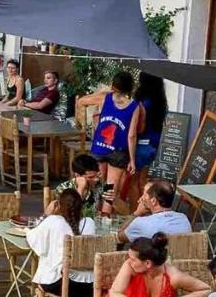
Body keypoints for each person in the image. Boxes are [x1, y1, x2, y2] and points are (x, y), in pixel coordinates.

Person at [29, 188, 98, 297]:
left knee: (44, 280)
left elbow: (34, 239)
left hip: (62, 285)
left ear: (59, 206)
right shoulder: (90, 223)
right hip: (89, 286)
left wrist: (46, 214)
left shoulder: (53, 221)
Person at [90, 71, 143, 207]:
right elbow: (131, 135)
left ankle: (92, 215)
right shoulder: (135, 106)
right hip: (119, 152)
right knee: (110, 189)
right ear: (131, 87)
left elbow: (81, 101)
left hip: (99, 147)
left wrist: (103, 91)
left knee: (96, 185)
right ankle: (106, 219)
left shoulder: (105, 98)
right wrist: (132, 160)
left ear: (113, 85)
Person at [121, 180, 191, 243]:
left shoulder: (141, 223)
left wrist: (137, 213)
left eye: (145, 195)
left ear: (153, 201)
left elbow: (120, 236)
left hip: (154, 256)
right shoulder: (183, 218)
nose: (142, 198)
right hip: (180, 256)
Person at [48, 153, 114, 218]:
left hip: (91, 225)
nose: (96, 179)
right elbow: (71, 212)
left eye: (97, 175)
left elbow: (123, 210)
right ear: (77, 175)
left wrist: (115, 200)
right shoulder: (63, 189)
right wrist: (80, 188)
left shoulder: (99, 185)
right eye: (91, 177)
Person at [134, 72, 168, 181]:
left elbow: (137, 124)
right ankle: (144, 197)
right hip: (154, 143)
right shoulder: (160, 101)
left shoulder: (143, 102)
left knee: (134, 181)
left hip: (141, 143)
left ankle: (138, 199)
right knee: (143, 180)